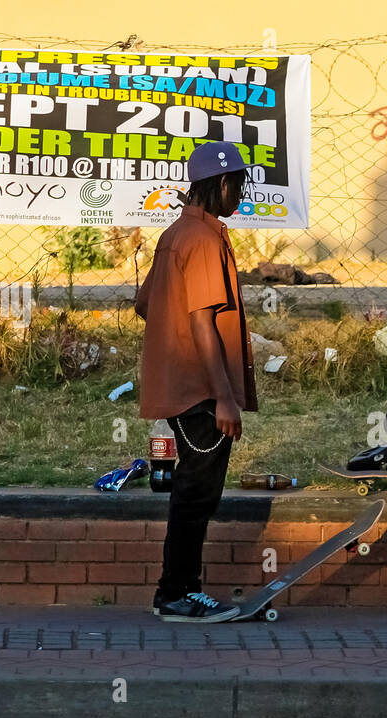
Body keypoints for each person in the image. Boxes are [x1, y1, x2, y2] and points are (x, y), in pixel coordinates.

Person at [134, 142, 258, 623]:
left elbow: (146, 304)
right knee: (197, 492)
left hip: (182, 382)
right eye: (239, 185)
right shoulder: (204, 240)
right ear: (222, 184)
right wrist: (224, 397)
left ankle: (181, 590)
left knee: (193, 487)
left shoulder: (177, 233)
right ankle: (177, 593)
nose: (241, 195)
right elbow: (204, 322)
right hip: (202, 389)